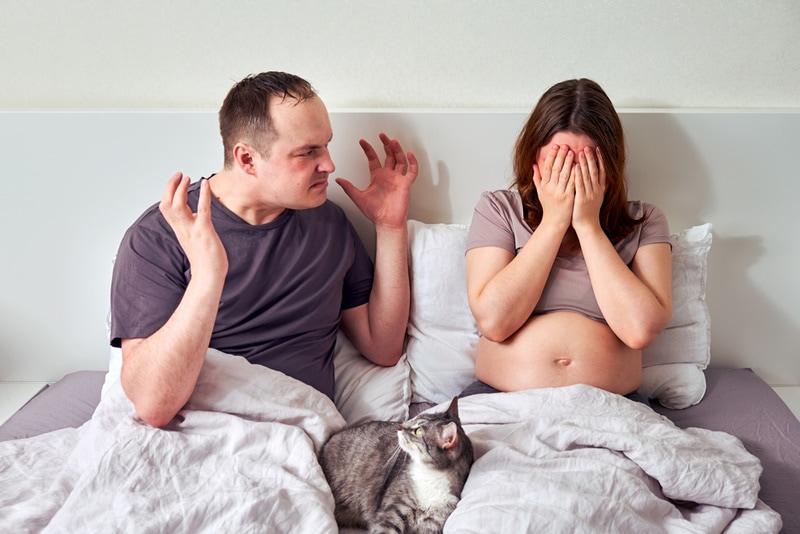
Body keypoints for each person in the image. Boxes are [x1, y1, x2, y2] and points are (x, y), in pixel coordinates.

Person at [109, 72, 417, 428]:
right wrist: (208, 276)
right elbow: (153, 406)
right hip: (196, 430)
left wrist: (390, 226)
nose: (329, 164)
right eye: (307, 152)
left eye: (326, 145)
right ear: (248, 159)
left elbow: (383, 347)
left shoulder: (328, 225)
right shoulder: (161, 235)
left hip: (298, 431)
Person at [463, 78, 672, 398]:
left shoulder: (644, 221)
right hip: (501, 398)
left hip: (610, 406)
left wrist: (588, 226)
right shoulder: (499, 209)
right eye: (559, 163)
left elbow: (640, 330)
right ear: (534, 159)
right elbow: (494, 322)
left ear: (609, 165)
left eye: (585, 164)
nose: (572, 177)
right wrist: (554, 222)